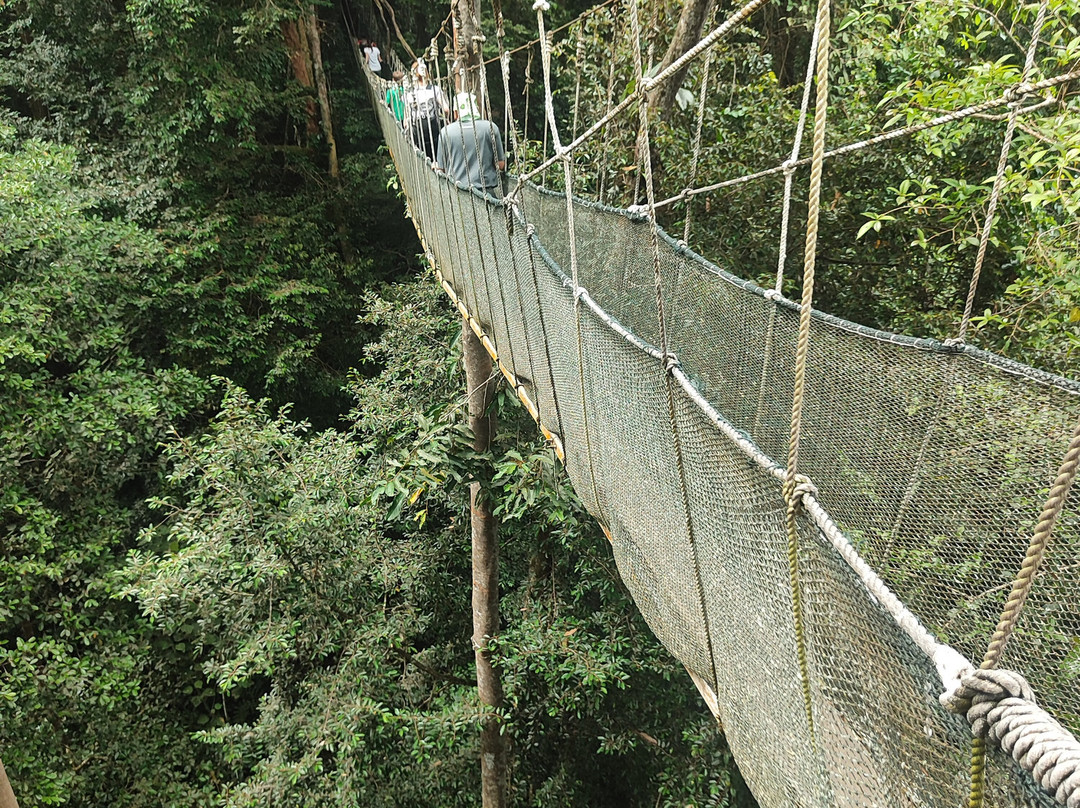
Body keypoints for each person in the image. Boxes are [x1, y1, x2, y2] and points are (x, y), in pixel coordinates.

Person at [436, 92, 506, 197]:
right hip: (486, 196)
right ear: (476, 108)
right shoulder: (490, 128)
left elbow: (441, 169)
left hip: (457, 194)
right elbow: (500, 165)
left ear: (456, 112)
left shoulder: (445, 132)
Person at [404, 61, 448, 162]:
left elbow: (406, 120)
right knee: (438, 158)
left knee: (422, 159)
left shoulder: (410, 92)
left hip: (419, 131)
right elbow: (446, 109)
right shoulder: (435, 89)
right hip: (434, 128)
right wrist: (445, 119)